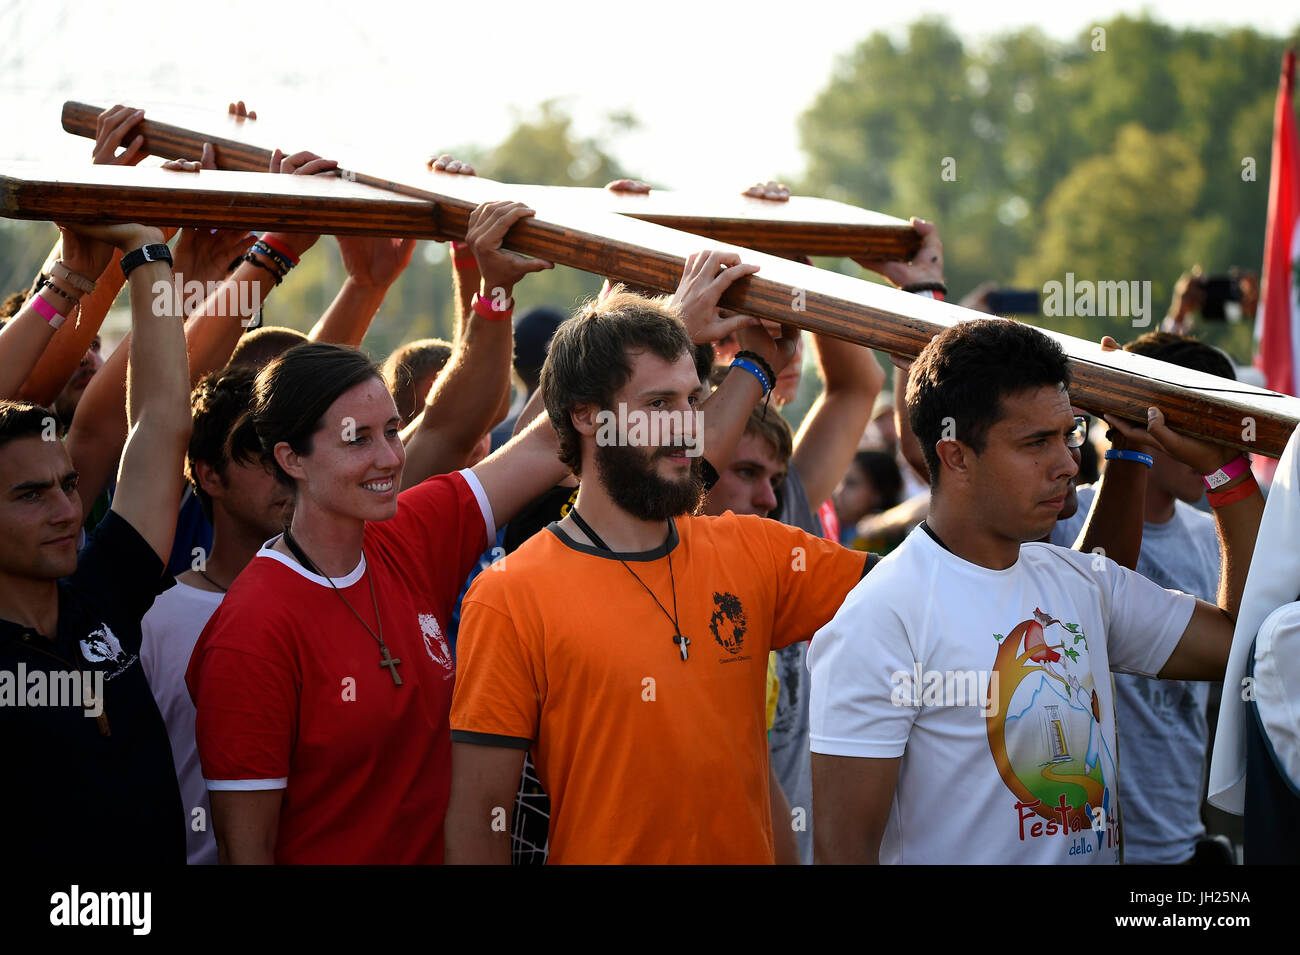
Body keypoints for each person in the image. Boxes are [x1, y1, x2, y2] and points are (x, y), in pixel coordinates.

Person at [185, 201, 569, 864]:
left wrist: (648, 316)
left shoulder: (408, 533)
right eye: (356, 439)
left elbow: (542, 447)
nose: (391, 457)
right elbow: (249, 855)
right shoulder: (252, 632)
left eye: (393, 430)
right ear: (291, 459)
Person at [809, 318, 1263, 864]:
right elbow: (843, 855)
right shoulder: (880, 618)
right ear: (955, 456)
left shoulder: (1082, 582)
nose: (1069, 462)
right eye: (1036, 442)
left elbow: (1242, 640)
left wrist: (1223, 469)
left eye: (1069, 434)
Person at [445, 289, 874, 864]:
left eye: (693, 401)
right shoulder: (509, 596)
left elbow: (926, 586)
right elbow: (478, 821)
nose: (686, 427)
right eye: (658, 405)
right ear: (585, 415)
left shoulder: (754, 547)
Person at [0, 216, 193, 863]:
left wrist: (147, 254)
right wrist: (62, 284)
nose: (65, 510)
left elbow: (163, 420)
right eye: (30, 494)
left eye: (69, 484)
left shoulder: (99, 594)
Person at [1051, 332, 1235, 864]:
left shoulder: (1212, 536)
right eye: (1208, 423)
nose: (1222, 448)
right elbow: (1096, 590)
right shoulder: (1060, 518)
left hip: (1178, 840)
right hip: (1080, 844)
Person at [139, 365, 293, 864]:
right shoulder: (153, 621)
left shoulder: (344, 596)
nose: (286, 468)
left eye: (292, 448)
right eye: (259, 452)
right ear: (208, 474)